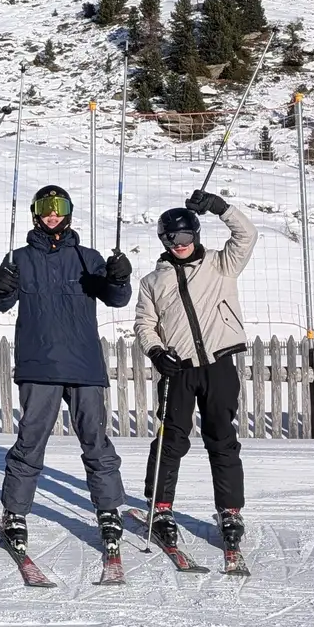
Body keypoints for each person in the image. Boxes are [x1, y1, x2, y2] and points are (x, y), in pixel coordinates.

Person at [0, 186, 132, 556]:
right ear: (35, 212)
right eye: (46, 207)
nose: (53, 214)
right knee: (31, 440)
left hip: (84, 366)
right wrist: (1, 285)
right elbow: (0, 302)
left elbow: (117, 298)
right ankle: (15, 512)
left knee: (95, 439)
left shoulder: (88, 258)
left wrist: (119, 278)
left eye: (59, 207)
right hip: (39, 365)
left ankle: (108, 509)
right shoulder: (19, 259)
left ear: (69, 212)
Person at [134, 189, 257, 553]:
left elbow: (247, 235)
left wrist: (221, 208)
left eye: (186, 235)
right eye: (172, 238)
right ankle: (160, 507)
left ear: (196, 234)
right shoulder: (152, 282)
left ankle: (230, 511)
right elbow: (144, 324)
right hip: (179, 370)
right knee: (171, 438)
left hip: (219, 365)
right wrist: (156, 352)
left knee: (221, 437)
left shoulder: (221, 264)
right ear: (163, 240)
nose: (180, 243)